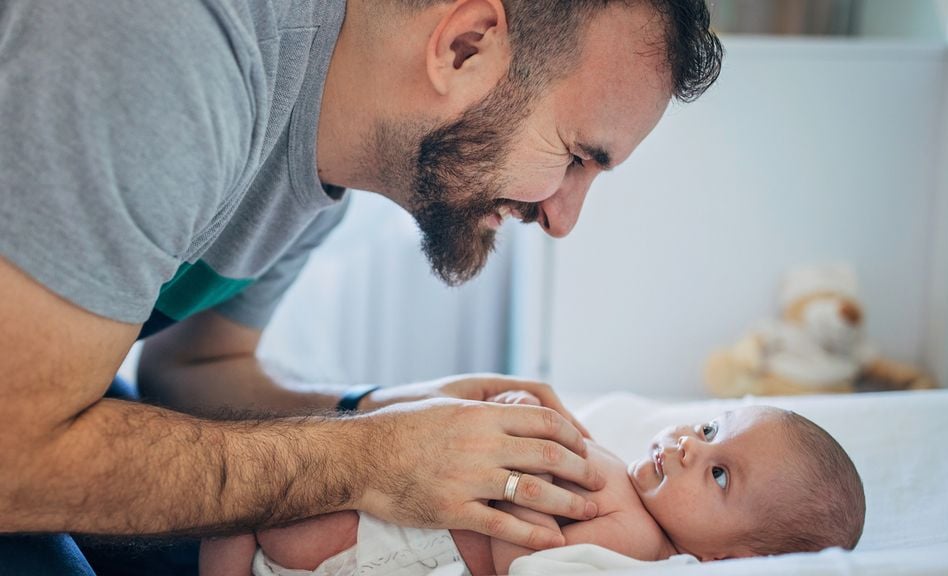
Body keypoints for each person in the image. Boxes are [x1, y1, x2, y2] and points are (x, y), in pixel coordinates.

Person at [0, 0, 722, 572]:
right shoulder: (181, 45)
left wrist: (378, 410)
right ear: (465, 45)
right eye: (575, 157)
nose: (563, 218)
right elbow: (14, 452)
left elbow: (189, 370)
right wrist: (370, 459)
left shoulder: (321, 165)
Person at [199, 403, 866, 575]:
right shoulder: (624, 477)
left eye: (719, 473)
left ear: (730, 560)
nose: (691, 444)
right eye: (713, 425)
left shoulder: (639, 543)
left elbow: (526, 564)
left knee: (244, 510)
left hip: (386, 541)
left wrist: (517, 489)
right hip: (387, 499)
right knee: (238, 496)